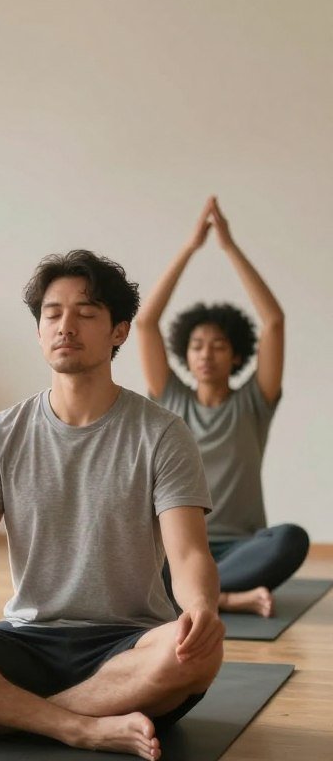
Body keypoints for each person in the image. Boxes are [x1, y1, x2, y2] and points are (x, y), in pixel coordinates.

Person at [0, 251, 223, 761]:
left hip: (127, 644)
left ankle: (4, 717)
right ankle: (76, 726)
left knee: (195, 657)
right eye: (52, 313)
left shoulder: (161, 434)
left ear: (118, 331)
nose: (65, 325)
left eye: (86, 313)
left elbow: (188, 556)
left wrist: (200, 610)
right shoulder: (1, 434)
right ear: (39, 330)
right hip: (25, 641)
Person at [137, 196, 308, 617]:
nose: (206, 354)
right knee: (131, 554)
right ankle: (226, 598)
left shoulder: (254, 401)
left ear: (236, 355)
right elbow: (145, 323)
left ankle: (196, 594)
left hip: (242, 548)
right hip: (179, 544)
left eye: (218, 346)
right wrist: (190, 248)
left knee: (291, 539)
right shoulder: (171, 397)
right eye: (197, 346)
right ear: (185, 353)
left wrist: (228, 246)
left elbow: (273, 322)